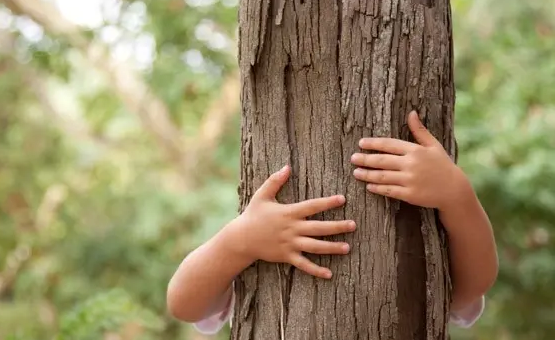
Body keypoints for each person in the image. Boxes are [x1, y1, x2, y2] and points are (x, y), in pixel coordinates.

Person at [166, 111, 498, 334]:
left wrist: (458, 197)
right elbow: (184, 303)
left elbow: (468, 289)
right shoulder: (264, 249)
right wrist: (239, 240)